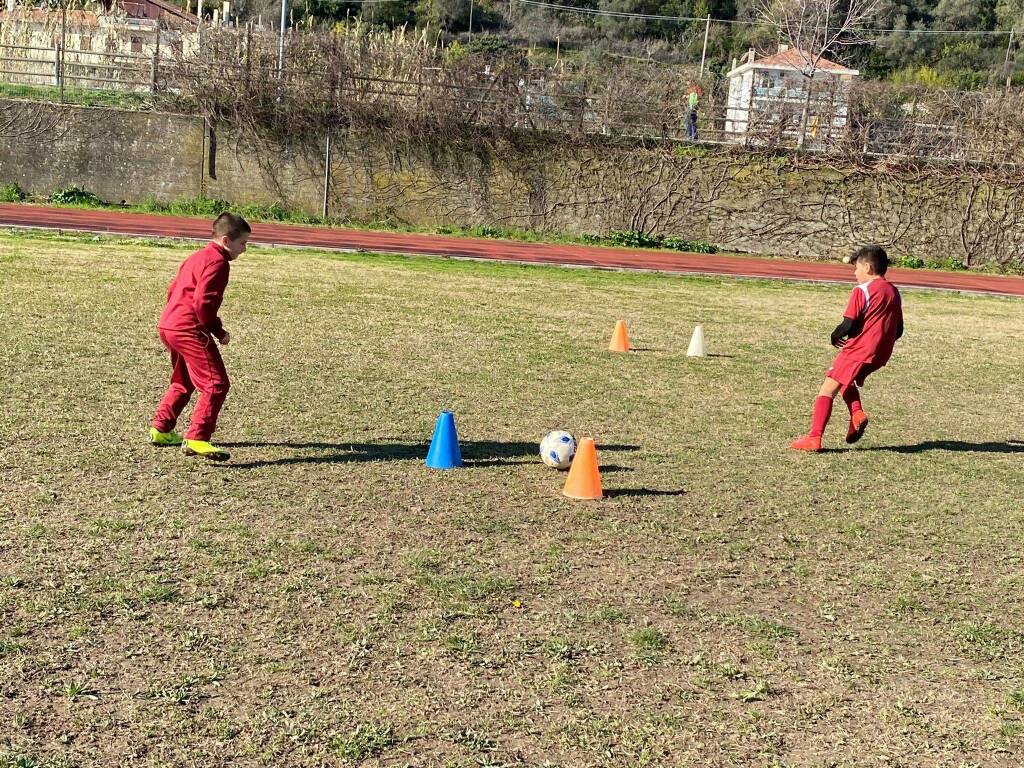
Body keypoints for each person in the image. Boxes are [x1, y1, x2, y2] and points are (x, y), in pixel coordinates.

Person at [149, 212, 251, 461]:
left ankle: (161, 429)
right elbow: (203, 303)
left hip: (169, 325)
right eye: (243, 243)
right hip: (189, 328)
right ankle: (197, 437)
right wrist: (218, 331)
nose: (245, 250)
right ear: (226, 241)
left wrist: (174, 317)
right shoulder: (218, 262)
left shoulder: (196, 257)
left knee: (183, 380)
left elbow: (172, 289)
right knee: (216, 384)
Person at [790, 245, 903, 452]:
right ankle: (857, 414)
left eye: (856, 268)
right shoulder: (894, 292)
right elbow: (899, 330)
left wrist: (835, 335)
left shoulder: (862, 290)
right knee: (844, 380)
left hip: (859, 350)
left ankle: (814, 437)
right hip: (882, 354)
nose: (854, 273)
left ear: (868, 267)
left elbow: (848, 323)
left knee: (827, 388)